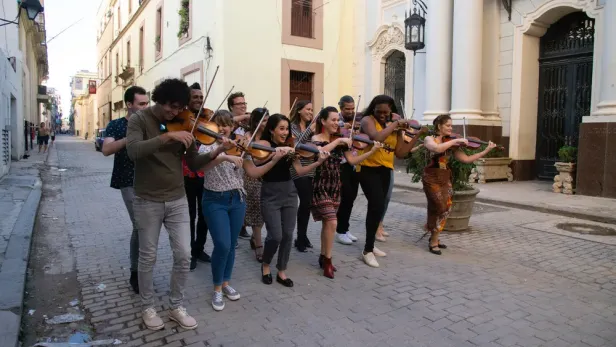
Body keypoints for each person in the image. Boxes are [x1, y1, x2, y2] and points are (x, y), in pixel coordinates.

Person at [126, 78, 229, 331]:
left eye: (179, 107)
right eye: (170, 107)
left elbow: (193, 163)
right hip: (147, 199)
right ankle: (148, 308)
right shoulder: (140, 120)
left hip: (176, 198)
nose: (175, 112)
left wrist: (216, 151)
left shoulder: (186, 124)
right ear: (158, 100)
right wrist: (167, 136)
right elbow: (133, 152)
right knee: (147, 256)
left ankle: (176, 306)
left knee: (183, 254)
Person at [256, 114, 328, 287]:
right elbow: (259, 161)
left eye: (287, 128)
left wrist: (318, 162)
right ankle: (266, 264)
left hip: (289, 192)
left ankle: (281, 270)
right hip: (270, 193)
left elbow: (300, 171)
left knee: (288, 235)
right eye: (281, 128)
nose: (285, 132)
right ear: (271, 130)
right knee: (275, 236)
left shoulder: (290, 146)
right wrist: (276, 155)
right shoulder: (265, 145)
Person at [310, 107, 382, 278]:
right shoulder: (316, 139)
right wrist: (337, 142)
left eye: (337, 120)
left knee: (327, 224)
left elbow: (352, 160)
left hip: (336, 185)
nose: (337, 123)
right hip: (320, 185)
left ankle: (322, 256)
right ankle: (328, 260)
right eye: (333, 120)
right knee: (333, 222)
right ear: (323, 121)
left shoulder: (342, 141)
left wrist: (371, 151)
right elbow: (320, 152)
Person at [357, 95, 423, 268]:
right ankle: (367, 251)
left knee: (380, 208)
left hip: (386, 169)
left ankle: (370, 244)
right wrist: (395, 124)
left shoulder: (394, 126)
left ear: (392, 111)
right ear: (373, 109)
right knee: (376, 205)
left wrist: (417, 135)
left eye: (386, 113)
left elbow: (401, 152)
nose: (382, 115)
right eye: (379, 112)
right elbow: (377, 137)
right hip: (367, 168)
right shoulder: (367, 120)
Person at [422, 114, 496, 255]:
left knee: (446, 208)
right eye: (448, 125)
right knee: (439, 206)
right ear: (439, 126)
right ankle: (432, 234)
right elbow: (436, 149)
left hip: (445, 177)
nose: (451, 128)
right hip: (431, 178)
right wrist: (455, 141)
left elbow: (467, 159)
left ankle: (434, 238)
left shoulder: (452, 143)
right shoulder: (429, 139)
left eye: (451, 125)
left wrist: (486, 150)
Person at [102, 85, 149, 294]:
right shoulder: (116, 125)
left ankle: (142, 270)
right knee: (140, 225)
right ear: (129, 105)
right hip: (128, 181)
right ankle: (135, 272)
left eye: (147, 103)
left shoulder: (152, 123)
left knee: (143, 227)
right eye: (141, 104)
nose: (145, 107)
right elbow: (106, 149)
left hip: (151, 181)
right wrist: (129, 139)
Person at [184, 82, 210, 271]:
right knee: (189, 215)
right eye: (195, 97)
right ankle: (189, 252)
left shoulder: (207, 118)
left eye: (201, 98)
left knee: (204, 215)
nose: (199, 100)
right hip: (185, 173)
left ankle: (199, 248)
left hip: (203, 172)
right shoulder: (181, 118)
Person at [289, 101, 316, 252]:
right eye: (308, 109)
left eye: (312, 110)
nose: (311, 112)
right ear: (299, 110)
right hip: (297, 166)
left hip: (311, 167)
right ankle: (300, 238)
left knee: (307, 204)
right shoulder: (292, 127)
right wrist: (309, 130)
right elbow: (296, 144)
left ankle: (303, 236)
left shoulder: (312, 128)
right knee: (305, 201)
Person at [335, 95, 362, 245]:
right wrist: (341, 125)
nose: (351, 112)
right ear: (341, 108)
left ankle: (345, 228)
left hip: (355, 162)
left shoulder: (356, 122)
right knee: (345, 197)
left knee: (352, 197)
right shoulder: (337, 122)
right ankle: (340, 230)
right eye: (348, 109)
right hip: (342, 164)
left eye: (353, 109)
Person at [243, 108, 269, 262]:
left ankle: (254, 237)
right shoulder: (248, 137)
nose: (266, 123)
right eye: (263, 120)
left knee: (266, 211)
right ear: (256, 122)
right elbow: (253, 161)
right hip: (252, 177)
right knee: (257, 211)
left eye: (267, 120)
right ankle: (259, 245)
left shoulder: (270, 137)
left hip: (268, 177)